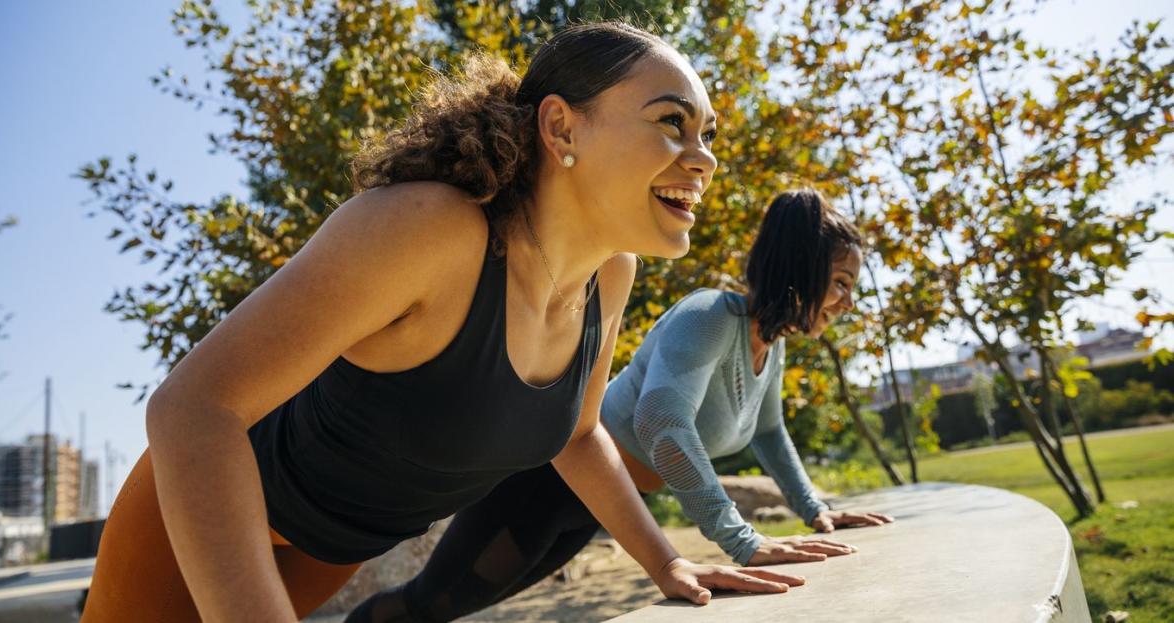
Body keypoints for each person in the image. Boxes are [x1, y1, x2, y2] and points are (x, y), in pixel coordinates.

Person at [81, 22, 807, 623]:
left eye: (707, 133)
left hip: (334, 548)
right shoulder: (427, 229)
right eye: (672, 123)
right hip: (201, 521)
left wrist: (667, 558)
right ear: (560, 127)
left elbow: (582, 437)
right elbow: (192, 408)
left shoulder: (609, 276)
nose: (704, 157)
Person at [349, 189, 895, 622]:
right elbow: (661, 422)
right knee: (430, 604)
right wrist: (740, 539)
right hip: (547, 481)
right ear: (800, 269)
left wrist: (815, 510)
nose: (848, 301)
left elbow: (771, 433)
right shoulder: (710, 317)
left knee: (457, 606)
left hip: (600, 504)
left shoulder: (767, 348)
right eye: (841, 282)